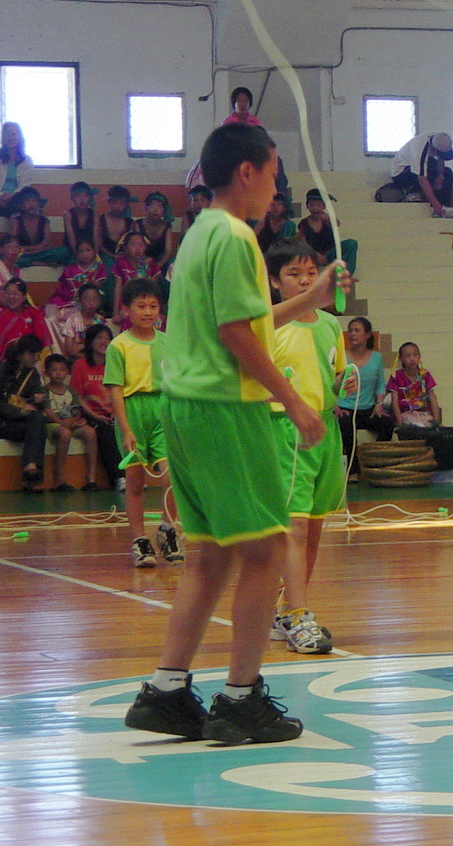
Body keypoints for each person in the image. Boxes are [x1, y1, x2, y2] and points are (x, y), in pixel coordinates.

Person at [122, 122, 344, 746]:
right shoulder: (240, 238)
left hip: (184, 408)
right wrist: (296, 403)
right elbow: (237, 336)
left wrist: (311, 299)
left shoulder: (199, 234)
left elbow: (243, 321)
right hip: (227, 410)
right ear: (246, 171)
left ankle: (167, 690)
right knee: (268, 549)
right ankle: (242, 698)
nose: (277, 188)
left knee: (211, 553)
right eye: (273, 173)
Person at [265, 239, 350, 655]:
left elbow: (331, 380)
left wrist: (342, 385)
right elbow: (252, 384)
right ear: (274, 281)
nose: (304, 281)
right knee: (293, 529)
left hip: (325, 432)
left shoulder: (331, 326)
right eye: (293, 275)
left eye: (311, 274)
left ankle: (286, 608)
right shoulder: (269, 326)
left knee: (314, 529)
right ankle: (300, 616)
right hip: (286, 432)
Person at [105, 279, 181, 569]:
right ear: (126, 309)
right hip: (133, 412)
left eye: (153, 306)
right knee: (135, 482)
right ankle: (139, 539)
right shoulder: (118, 346)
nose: (148, 312)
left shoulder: (168, 342)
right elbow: (115, 389)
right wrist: (126, 429)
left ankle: (167, 529)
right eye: (141, 306)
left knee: (171, 479)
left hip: (164, 411)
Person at [336, 317, 395, 475]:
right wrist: (335, 407)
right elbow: (332, 382)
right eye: (351, 331)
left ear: (367, 334)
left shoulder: (376, 357)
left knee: (387, 424)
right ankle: (353, 470)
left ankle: (376, 463)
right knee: (346, 425)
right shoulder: (342, 356)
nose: (353, 334)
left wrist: (379, 403)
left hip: (367, 408)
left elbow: (380, 384)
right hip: (345, 408)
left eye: (357, 330)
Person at [72, 323, 124, 491]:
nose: (104, 341)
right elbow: (78, 397)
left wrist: (118, 413)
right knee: (105, 432)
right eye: (99, 338)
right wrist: (95, 416)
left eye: (107, 338)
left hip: (115, 413)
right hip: (91, 414)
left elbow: (122, 392)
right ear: (90, 342)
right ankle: (119, 477)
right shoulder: (80, 365)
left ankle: (134, 476)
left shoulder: (116, 364)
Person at [42, 353, 100, 490]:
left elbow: (77, 410)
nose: (59, 374)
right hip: (53, 424)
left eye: (62, 370)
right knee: (65, 434)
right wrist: (63, 423)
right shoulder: (44, 390)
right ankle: (60, 480)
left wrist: (73, 422)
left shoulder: (71, 391)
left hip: (71, 423)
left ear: (67, 372)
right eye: (54, 370)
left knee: (90, 433)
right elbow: (48, 412)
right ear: (47, 373)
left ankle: (91, 479)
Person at [0, 334, 48, 491]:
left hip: (22, 424)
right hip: (4, 422)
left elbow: (38, 400)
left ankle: (30, 467)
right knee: (37, 424)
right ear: (23, 353)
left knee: (38, 422)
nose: (36, 359)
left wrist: (38, 400)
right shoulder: (2, 371)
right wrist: (20, 411)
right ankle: (32, 476)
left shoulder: (33, 374)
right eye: (33, 354)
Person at [382, 131, 453, 212]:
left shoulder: (440, 139)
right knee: (424, 170)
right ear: (434, 150)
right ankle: (413, 194)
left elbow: (441, 159)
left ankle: (444, 207)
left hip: (417, 167)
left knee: (447, 172)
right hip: (401, 173)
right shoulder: (419, 149)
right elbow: (422, 178)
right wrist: (435, 204)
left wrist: (440, 176)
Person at [298, 188, 358, 277]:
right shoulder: (304, 223)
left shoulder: (327, 220)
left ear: (324, 207)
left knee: (351, 243)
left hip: (330, 253)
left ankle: (345, 274)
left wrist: (330, 219)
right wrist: (314, 254)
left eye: (318, 205)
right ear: (307, 206)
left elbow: (337, 223)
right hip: (312, 255)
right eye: (312, 205)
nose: (315, 208)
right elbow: (303, 242)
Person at [386, 342, 442, 428]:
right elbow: (394, 402)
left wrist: (437, 421)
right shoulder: (395, 376)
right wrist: (400, 423)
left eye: (415, 355)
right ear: (401, 358)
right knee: (412, 426)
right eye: (407, 356)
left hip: (422, 414)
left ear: (419, 356)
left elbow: (432, 398)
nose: (412, 359)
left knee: (429, 424)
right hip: (404, 414)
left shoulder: (425, 374)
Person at [11, 187, 70, 268]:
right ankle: (40, 263)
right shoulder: (17, 220)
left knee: (64, 252)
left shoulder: (44, 220)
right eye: (27, 201)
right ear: (21, 205)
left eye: (34, 201)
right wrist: (24, 251)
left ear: (39, 204)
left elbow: (47, 243)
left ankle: (33, 261)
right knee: (9, 256)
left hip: (41, 253)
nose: (31, 204)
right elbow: (13, 242)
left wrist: (33, 250)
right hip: (22, 254)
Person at [110, 232, 161, 326]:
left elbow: (154, 289)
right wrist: (116, 313)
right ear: (125, 248)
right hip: (127, 303)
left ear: (145, 247)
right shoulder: (120, 263)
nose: (138, 248)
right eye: (133, 245)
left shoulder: (150, 263)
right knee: (129, 318)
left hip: (146, 303)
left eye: (141, 245)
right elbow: (118, 289)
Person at [48, 283, 109, 360]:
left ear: (99, 301)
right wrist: (87, 357)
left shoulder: (102, 321)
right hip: (77, 360)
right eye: (87, 299)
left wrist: (83, 346)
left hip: (98, 360)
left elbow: (105, 346)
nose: (91, 302)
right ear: (80, 301)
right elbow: (69, 350)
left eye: (95, 299)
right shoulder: (73, 319)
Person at [46, 238, 108, 313]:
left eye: (88, 250)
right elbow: (61, 286)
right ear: (76, 254)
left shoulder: (99, 267)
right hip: (70, 297)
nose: (85, 254)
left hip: (90, 297)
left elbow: (97, 286)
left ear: (94, 251)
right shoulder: (70, 268)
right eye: (81, 251)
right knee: (54, 304)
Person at [0, 278, 53, 355]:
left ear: (24, 297)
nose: (11, 296)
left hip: (33, 356)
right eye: (8, 293)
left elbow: (43, 341)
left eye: (15, 293)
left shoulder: (34, 314)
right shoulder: (2, 315)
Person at [134, 192, 178, 270]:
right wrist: (146, 262)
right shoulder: (138, 224)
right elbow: (137, 247)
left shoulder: (167, 226)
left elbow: (168, 251)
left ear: (164, 210)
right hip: (142, 257)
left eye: (159, 206)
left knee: (172, 265)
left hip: (161, 259)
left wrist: (157, 266)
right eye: (152, 206)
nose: (155, 210)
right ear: (146, 208)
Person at [0, 121, 35, 213]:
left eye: (14, 134)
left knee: (20, 205)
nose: (10, 138)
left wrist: (11, 196)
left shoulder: (26, 160)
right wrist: (1, 196)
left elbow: (25, 185)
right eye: (7, 134)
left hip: (17, 197)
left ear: (19, 137)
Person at [98, 186, 135, 265]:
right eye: (115, 202)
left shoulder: (130, 222)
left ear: (126, 204)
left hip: (124, 255)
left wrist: (125, 253)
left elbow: (131, 243)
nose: (118, 206)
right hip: (104, 254)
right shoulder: (100, 220)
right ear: (109, 202)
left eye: (122, 203)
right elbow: (98, 244)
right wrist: (112, 255)